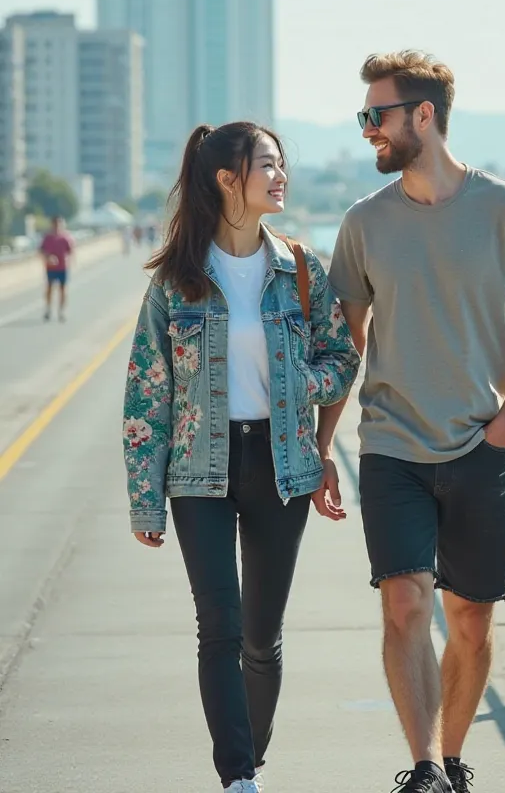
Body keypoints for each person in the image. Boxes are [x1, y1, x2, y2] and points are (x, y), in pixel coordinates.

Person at [319, 51, 505, 793]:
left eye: (377, 115)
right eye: (365, 116)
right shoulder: (364, 223)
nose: (368, 131)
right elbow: (345, 344)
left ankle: (452, 761)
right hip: (391, 445)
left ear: (424, 115)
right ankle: (423, 767)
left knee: (471, 623)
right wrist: (323, 443)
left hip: (478, 447)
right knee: (404, 601)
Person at [123, 121, 359, 793]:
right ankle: (238, 780)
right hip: (198, 471)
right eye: (268, 166)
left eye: (282, 165)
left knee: (261, 638)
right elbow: (147, 393)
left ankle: (249, 758)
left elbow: (342, 357)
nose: (280, 176)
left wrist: (302, 385)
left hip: (280, 466)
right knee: (217, 628)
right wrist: (146, 497)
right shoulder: (178, 280)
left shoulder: (302, 270)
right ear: (228, 179)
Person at [39, 216, 75, 322]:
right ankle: (48, 309)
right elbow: (41, 250)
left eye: (59, 224)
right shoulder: (47, 238)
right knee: (49, 288)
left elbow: (70, 251)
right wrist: (48, 257)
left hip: (62, 267)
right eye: (55, 224)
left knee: (62, 289)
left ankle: (61, 311)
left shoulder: (65, 237)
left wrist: (68, 260)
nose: (57, 226)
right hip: (51, 268)